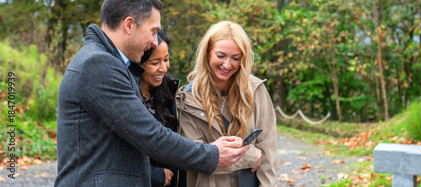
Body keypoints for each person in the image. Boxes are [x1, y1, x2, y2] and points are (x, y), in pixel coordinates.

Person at [55, 1, 249, 186]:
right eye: (153, 31)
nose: (155, 42)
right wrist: (212, 154)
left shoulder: (112, 63)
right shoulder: (98, 65)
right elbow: (151, 136)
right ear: (129, 25)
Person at [175, 21, 277, 187]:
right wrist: (250, 156)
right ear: (208, 53)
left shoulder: (256, 90)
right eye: (220, 56)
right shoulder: (188, 98)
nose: (227, 65)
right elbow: (195, 157)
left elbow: (268, 152)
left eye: (235, 58)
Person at [135, 30, 186, 187]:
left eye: (166, 59)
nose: (163, 68)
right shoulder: (126, 96)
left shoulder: (170, 91)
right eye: (154, 63)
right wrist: (154, 175)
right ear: (138, 63)